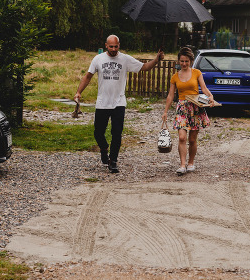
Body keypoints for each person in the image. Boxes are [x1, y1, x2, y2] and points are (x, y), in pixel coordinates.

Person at [75, 35, 164, 173]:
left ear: (119, 45)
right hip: (102, 102)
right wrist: (78, 92)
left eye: (116, 46)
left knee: (117, 133)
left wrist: (156, 59)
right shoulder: (98, 59)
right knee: (98, 133)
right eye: (111, 46)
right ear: (106, 45)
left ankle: (113, 160)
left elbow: (145, 67)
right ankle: (104, 148)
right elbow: (88, 76)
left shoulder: (125, 59)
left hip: (119, 102)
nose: (114, 49)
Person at [163, 46, 214, 176]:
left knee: (192, 139)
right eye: (182, 61)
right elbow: (170, 95)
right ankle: (182, 164)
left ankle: (191, 163)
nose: (184, 64)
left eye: (186, 61)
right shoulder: (175, 77)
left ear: (190, 61)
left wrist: (210, 97)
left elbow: (204, 88)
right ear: (178, 61)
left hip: (196, 107)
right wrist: (165, 112)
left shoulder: (197, 73)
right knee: (181, 137)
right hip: (182, 107)